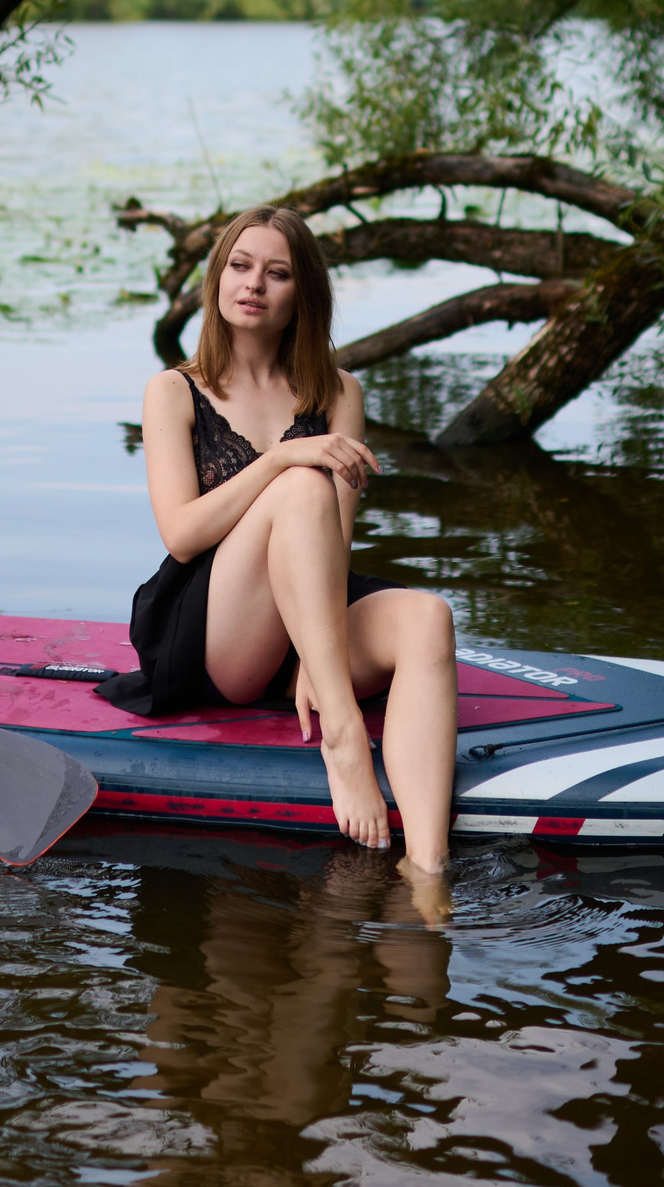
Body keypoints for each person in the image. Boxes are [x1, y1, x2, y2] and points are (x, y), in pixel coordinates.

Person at [96, 206, 458, 877]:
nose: (254, 284)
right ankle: (344, 738)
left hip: (304, 623)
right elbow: (181, 535)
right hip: (217, 637)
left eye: (278, 273)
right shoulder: (174, 390)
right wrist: (282, 459)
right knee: (300, 487)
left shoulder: (338, 392)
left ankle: (427, 869)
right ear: (217, 278)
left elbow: (334, 544)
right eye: (240, 265)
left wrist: (319, 661)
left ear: (303, 293)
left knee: (428, 617)